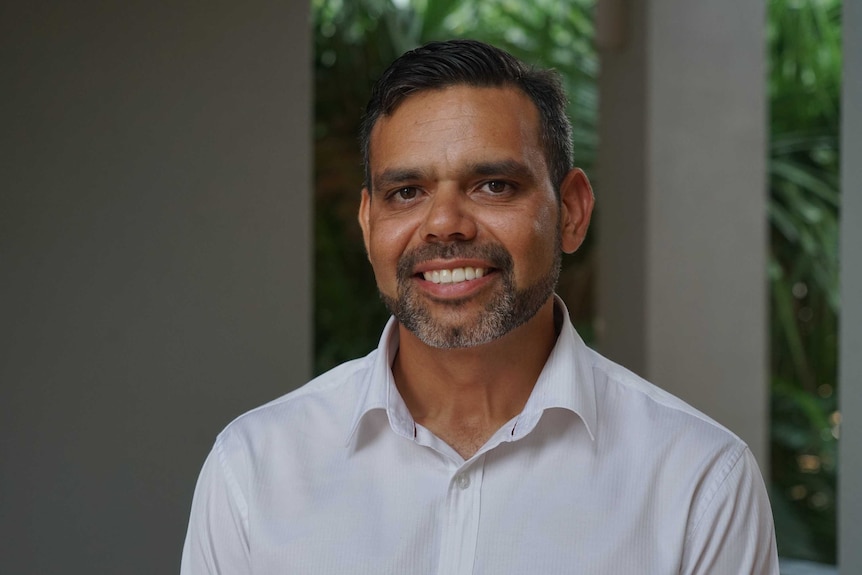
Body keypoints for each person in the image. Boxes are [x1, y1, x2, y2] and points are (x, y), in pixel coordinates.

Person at [181, 39, 778, 574]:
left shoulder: (700, 482)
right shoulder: (253, 468)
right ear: (369, 226)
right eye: (406, 192)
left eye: (493, 185)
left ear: (570, 210)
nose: (444, 224)